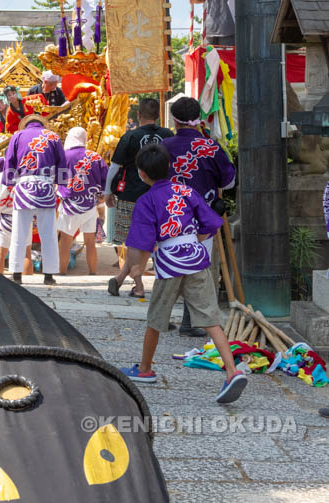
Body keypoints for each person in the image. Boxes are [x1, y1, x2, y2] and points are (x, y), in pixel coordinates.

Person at [122, 144, 247, 404]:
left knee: (156, 318)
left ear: (142, 174)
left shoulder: (147, 200)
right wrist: (194, 240)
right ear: (169, 167)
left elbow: (143, 241)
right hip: (196, 257)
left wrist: (137, 267)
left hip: (170, 263)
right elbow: (211, 222)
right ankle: (232, 371)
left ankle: (145, 369)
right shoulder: (186, 190)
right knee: (210, 318)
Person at [163, 96, 236, 336]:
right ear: (198, 120)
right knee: (197, 268)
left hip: (168, 216)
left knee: (169, 267)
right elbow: (229, 181)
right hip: (202, 218)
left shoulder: (163, 146)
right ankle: (190, 321)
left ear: (175, 121)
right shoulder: (211, 147)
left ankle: (161, 319)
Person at [105, 97, 172, 298]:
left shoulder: (130, 137)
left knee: (133, 240)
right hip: (161, 196)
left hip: (131, 195)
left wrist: (107, 191)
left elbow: (114, 167)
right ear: (158, 116)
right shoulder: (167, 135)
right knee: (149, 239)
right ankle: (122, 279)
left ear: (139, 115)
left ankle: (138, 285)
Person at [4, 114, 66, 286]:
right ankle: (49, 275)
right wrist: (60, 183)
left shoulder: (17, 136)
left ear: (26, 124)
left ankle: (16, 273)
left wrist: (9, 183)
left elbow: (9, 161)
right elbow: (62, 162)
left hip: (24, 187)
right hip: (46, 187)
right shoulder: (53, 137)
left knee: (19, 232)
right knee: (49, 233)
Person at [57, 126, 107, 275]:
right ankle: (92, 273)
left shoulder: (63, 157)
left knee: (65, 242)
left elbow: (59, 180)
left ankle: (62, 273)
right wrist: (101, 197)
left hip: (69, 206)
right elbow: (106, 179)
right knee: (90, 242)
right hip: (90, 205)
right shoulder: (95, 157)